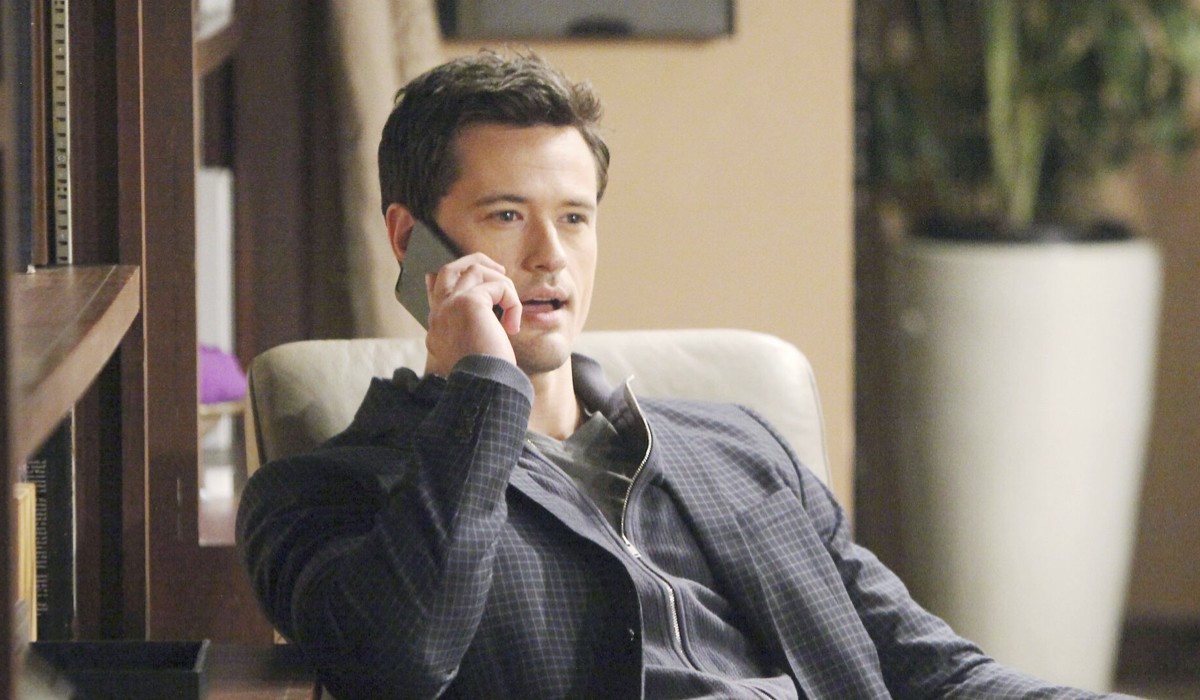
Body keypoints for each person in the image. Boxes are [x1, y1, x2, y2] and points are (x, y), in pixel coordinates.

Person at [236, 50, 1132, 699]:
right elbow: (398, 665)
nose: (550, 256)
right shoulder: (325, 493)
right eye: (507, 215)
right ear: (413, 242)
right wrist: (481, 390)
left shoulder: (739, 446)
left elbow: (927, 669)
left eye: (575, 218)